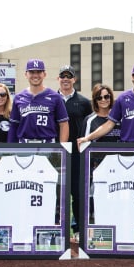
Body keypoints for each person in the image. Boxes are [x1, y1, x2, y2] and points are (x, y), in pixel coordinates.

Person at [57, 64, 93, 241]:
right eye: (62, 76)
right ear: (58, 79)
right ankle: (55, 227)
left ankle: (78, 228)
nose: (65, 79)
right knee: (55, 192)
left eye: (68, 76)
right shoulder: (50, 99)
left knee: (78, 193)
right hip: (55, 153)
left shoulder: (84, 102)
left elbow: (90, 125)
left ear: (74, 79)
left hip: (77, 154)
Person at [8, 59, 70, 143]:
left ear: (44, 74)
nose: (35, 75)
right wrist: (11, 149)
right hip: (24, 145)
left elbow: (63, 124)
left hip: (48, 144)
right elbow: (14, 126)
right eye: (32, 72)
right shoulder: (19, 97)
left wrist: (62, 148)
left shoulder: (55, 97)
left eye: (38, 72)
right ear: (26, 74)